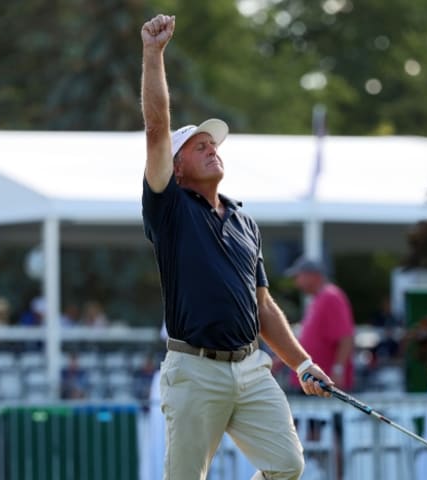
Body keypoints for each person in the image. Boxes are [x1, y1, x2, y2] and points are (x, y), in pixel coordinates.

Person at [139, 14, 333, 480]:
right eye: (198, 146)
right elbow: (157, 128)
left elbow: (263, 306)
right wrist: (153, 55)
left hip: (250, 368)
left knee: (287, 466)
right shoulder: (169, 208)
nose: (211, 149)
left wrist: (303, 363)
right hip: (194, 370)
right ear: (177, 166)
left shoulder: (244, 220)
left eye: (213, 143)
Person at [286, 256, 356, 392]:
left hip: (325, 384)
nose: (296, 282)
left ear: (313, 276)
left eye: (298, 276)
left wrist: (338, 370)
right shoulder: (319, 299)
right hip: (314, 383)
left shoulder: (331, 297)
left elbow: (346, 337)